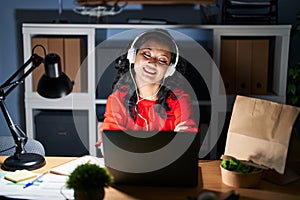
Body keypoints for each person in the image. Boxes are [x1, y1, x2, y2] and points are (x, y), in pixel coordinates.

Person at [95, 29, 199, 147]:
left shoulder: (180, 99)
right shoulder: (118, 98)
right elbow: (111, 142)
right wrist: (106, 143)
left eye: (162, 60)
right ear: (133, 56)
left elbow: (186, 142)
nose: (152, 62)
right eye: (146, 54)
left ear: (169, 70)